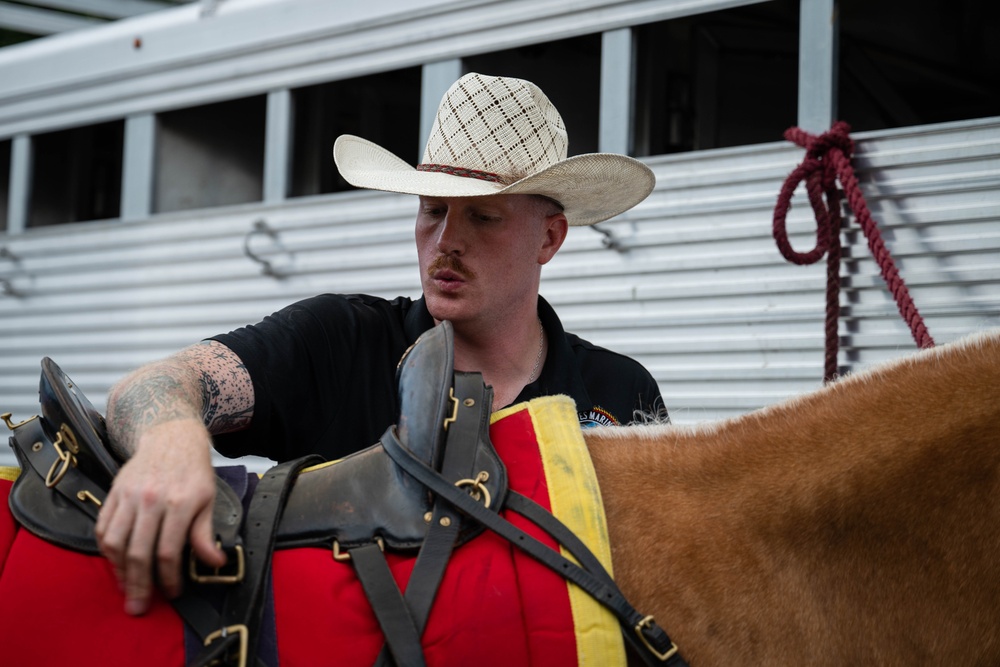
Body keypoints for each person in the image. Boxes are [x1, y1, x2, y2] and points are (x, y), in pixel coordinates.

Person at [95, 72, 665, 616]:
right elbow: (152, 385)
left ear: (549, 237)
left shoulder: (620, 391)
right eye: (432, 210)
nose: (446, 242)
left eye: (484, 217)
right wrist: (171, 443)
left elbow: (656, 577)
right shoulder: (339, 340)